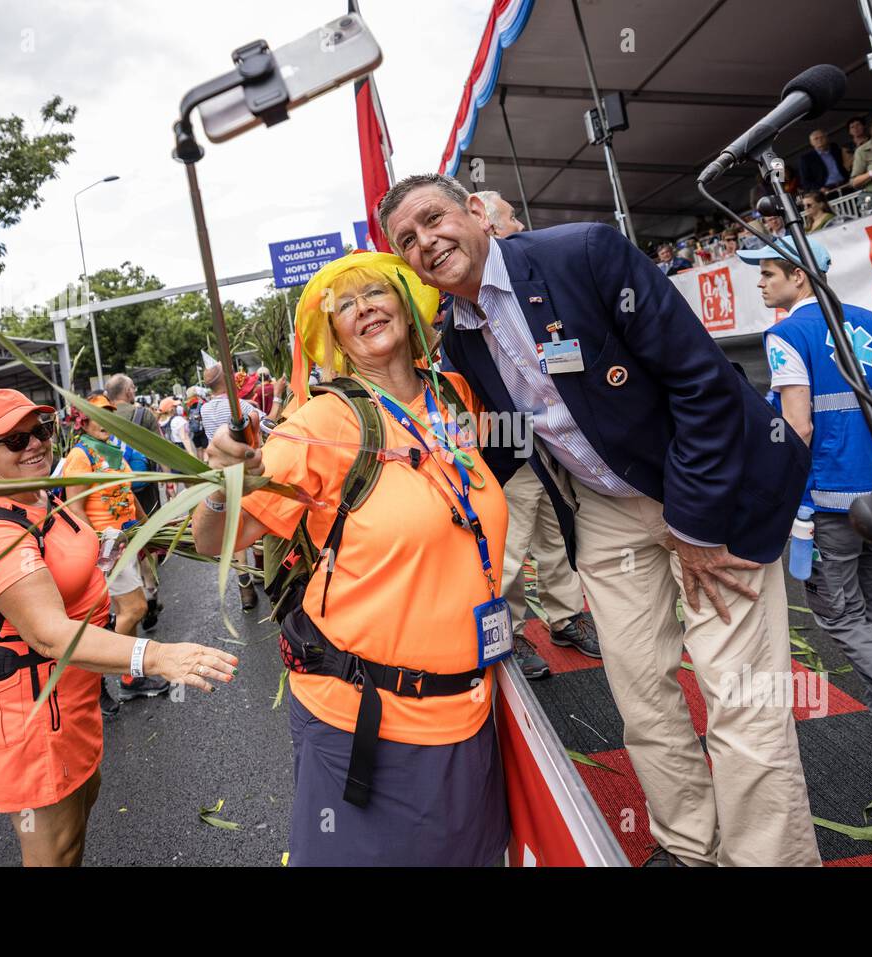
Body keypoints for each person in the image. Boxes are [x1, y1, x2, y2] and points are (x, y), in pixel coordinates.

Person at [380, 173, 818, 867]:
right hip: (608, 509)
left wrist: (696, 526)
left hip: (711, 487)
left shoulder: (583, 253)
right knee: (640, 692)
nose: (426, 241)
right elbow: (504, 449)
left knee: (738, 694)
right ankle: (688, 845)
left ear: (474, 213)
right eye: (407, 239)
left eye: (433, 219)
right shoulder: (459, 341)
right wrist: (394, 506)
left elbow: (702, 384)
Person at [192, 252, 510, 866]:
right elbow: (215, 540)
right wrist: (222, 482)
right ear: (332, 337)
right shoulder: (319, 424)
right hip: (366, 721)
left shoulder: (455, 397)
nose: (364, 307)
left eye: (375, 292)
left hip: (469, 708)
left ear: (405, 304)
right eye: (346, 304)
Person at [0, 388, 236, 865]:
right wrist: (157, 656)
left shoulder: (42, 497)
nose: (36, 444)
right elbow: (49, 635)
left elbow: (68, 560)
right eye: (16, 440)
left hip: (73, 703)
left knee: (76, 828)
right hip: (34, 719)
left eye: (41, 431)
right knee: (56, 851)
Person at [740, 236, 872, 740]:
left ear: (799, 276)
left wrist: (786, 499)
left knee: (838, 613)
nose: (759, 283)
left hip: (832, 498)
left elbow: (797, 427)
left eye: (767, 273)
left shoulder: (788, 333)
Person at [473, 189, 599, 679]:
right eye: (510, 219)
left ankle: (567, 617)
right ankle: (513, 633)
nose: (521, 227)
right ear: (484, 224)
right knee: (508, 545)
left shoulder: (543, 279)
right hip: (508, 448)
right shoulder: (465, 304)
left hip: (554, 451)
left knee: (557, 536)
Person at [61, 394, 168, 714]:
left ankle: (130, 679)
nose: (106, 421)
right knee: (134, 609)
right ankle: (98, 682)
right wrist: (98, 547)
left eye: (109, 415)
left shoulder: (113, 453)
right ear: (84, 422)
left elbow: (128, 495)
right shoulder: (80, 456)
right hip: (106, 550)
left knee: (127, 612)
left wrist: (151, 529)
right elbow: (75, 508)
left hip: (125, 542)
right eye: (99, 416)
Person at [198, 362, 263, 612]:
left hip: (220, 470)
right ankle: (261, 574)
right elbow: (269, 423)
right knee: (252, 520)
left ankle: (244, 582)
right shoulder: (240, 407)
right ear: (227, 380)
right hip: (245, 468)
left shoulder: (205, 409)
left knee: (233, 525)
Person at [106, 373, 165, 628]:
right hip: (145, 488)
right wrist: (169, 480)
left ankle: (133, 595)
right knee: (147, 543)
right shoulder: (144, 415)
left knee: (125, 545)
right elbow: (161, 448)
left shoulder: (100, 417)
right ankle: (150, 594)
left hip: (115, 492)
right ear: (129, 391)